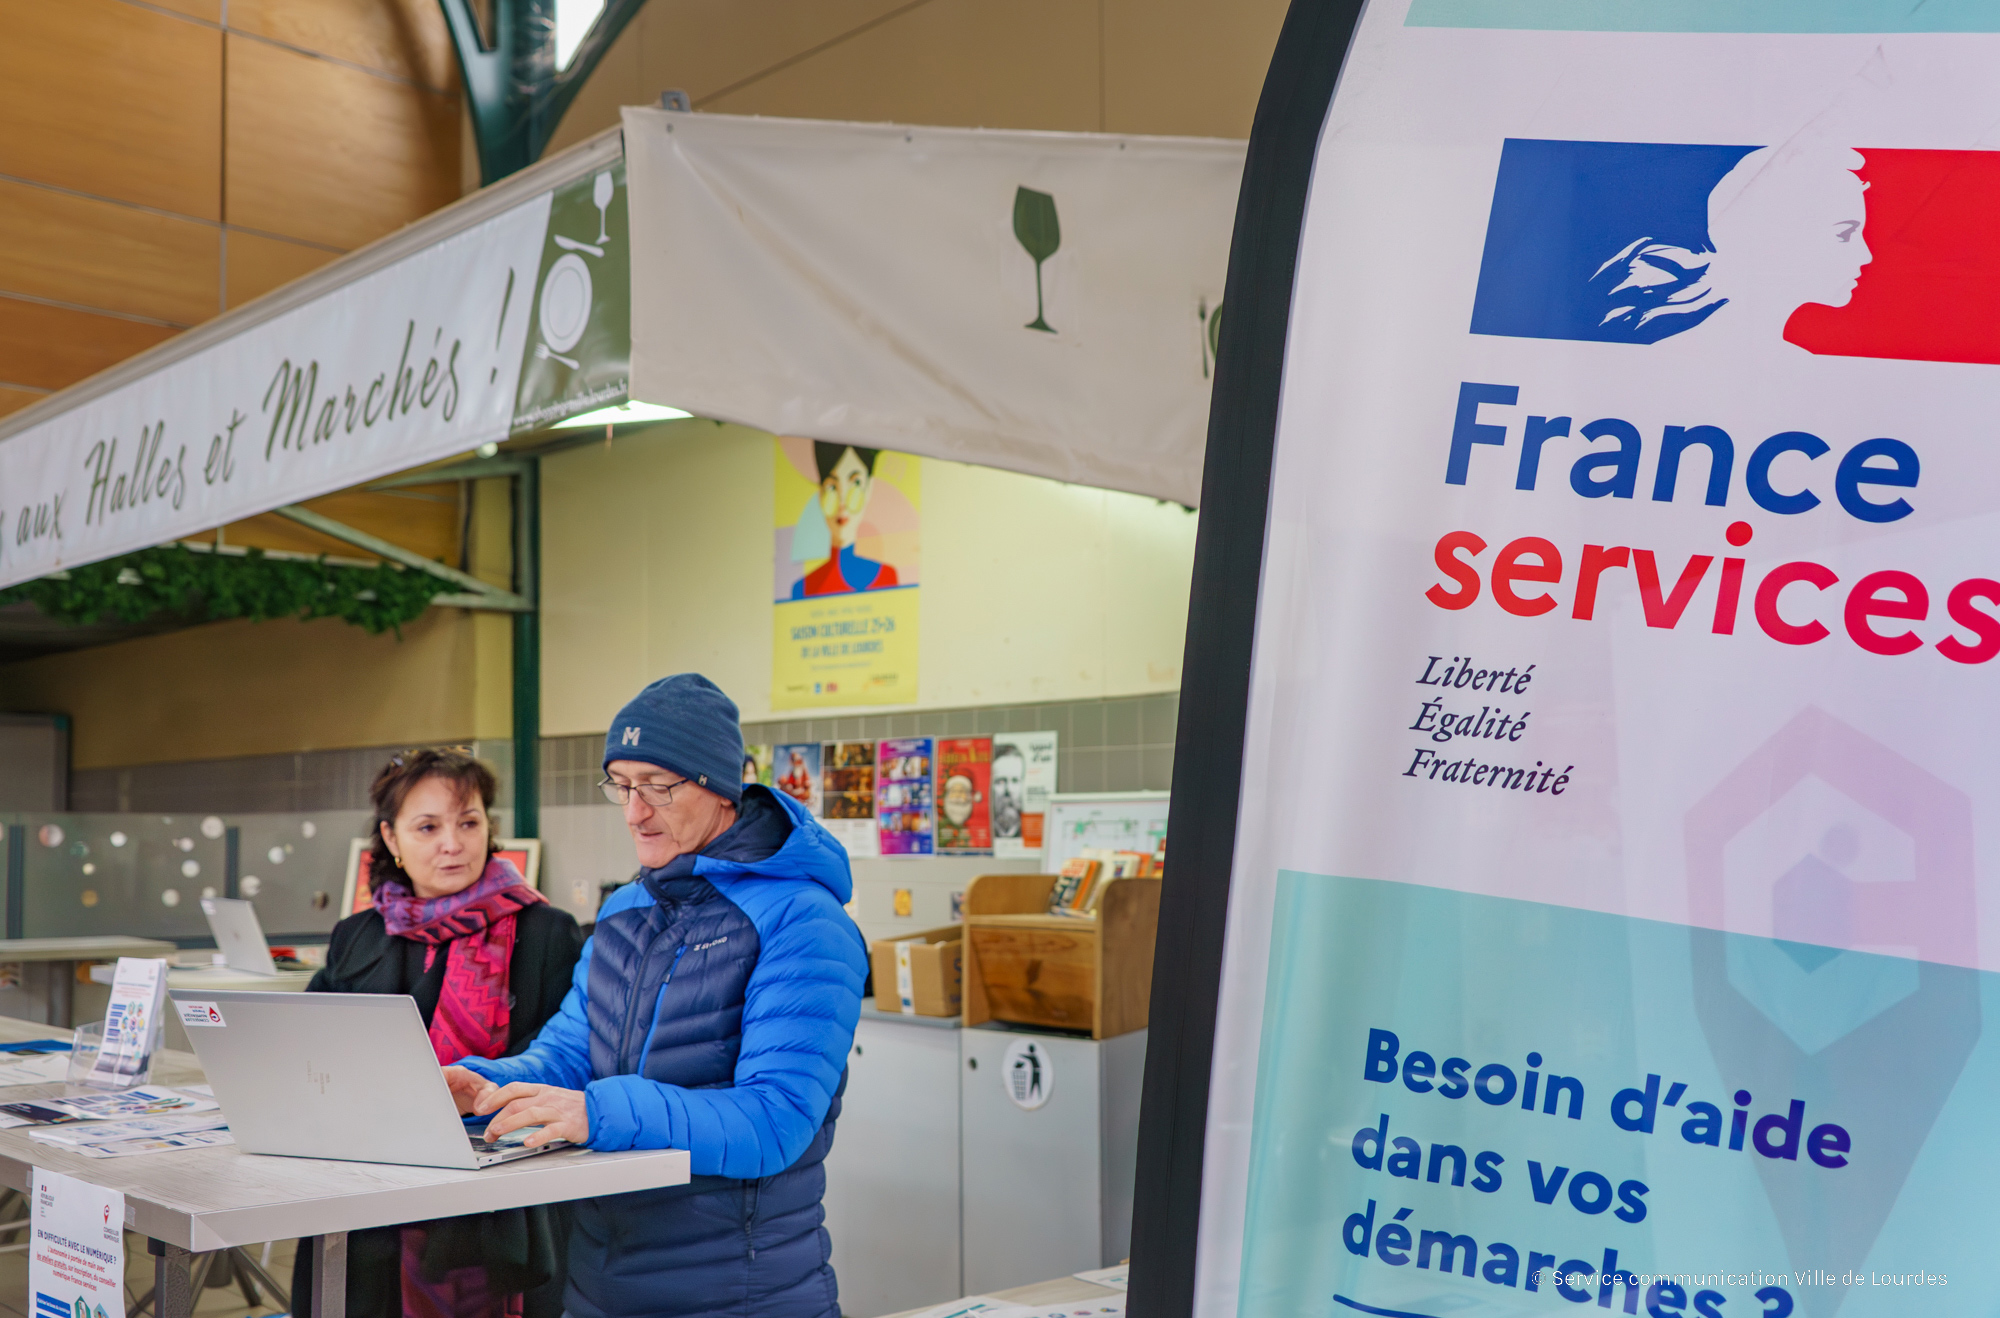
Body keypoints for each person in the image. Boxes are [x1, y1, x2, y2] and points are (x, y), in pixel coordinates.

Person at [442, 674, 867, 1318]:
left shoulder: (804, 921)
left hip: (738, 1298)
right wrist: (486, 1086)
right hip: (599, 1286)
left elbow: (774, 1120)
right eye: (622, 785)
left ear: (721, 787)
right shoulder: (624, 913)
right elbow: (569, 1057)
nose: (635, 812)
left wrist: (601, 1111)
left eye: (658, 786)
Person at [294, 748, 584, 1318]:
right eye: (428, 827)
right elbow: (306, 1048)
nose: (453, 844)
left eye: (468, 823)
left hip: (494, 1209)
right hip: (363, 1197)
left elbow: (562, 1061)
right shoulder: (359, 934)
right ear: (391, 838)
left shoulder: (545, 932)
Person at [791, 442, 900, 598]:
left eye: (855, 483)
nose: (842, 502)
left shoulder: (887, 577)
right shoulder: (803, 588)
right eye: (832, 487)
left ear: (869, 488)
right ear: (820, 494)